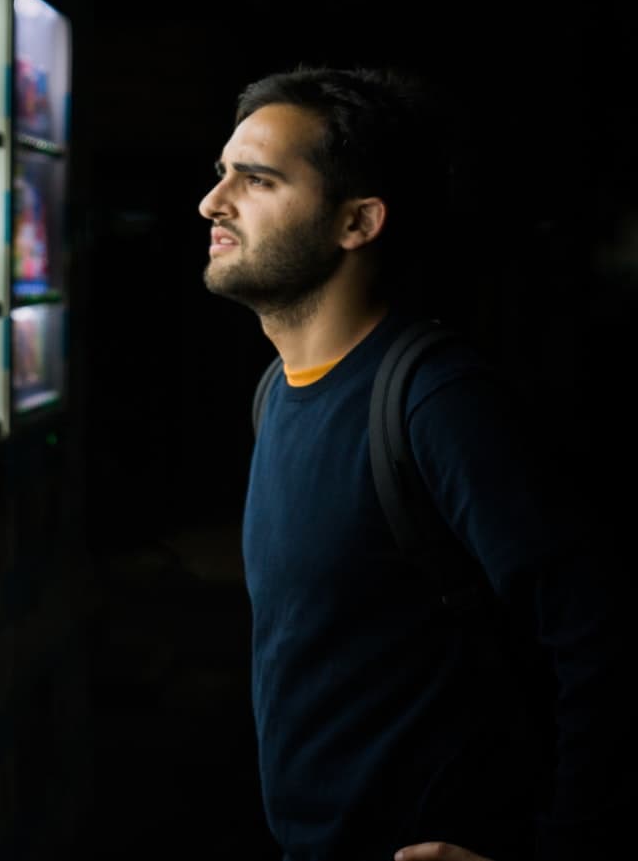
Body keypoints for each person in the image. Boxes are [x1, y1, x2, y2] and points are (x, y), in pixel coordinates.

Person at [198, 66, 620, 861]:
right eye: (222, 174)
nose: (212, 202)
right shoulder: (276, 392)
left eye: (256, 180)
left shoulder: (436, 400)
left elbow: (598, 636)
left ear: (357, 222)